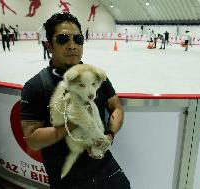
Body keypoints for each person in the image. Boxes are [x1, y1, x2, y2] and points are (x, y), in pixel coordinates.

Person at [20, 12, 130, 189]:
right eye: (63, 39)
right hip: (68, 178)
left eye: (78, 39)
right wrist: (72, 123)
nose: (72, 46)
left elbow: (116, 106)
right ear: (49, 45)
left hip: (106, 169)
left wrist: (109, 135)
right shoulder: (36, 86)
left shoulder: (94, 76)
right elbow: (32, 139)